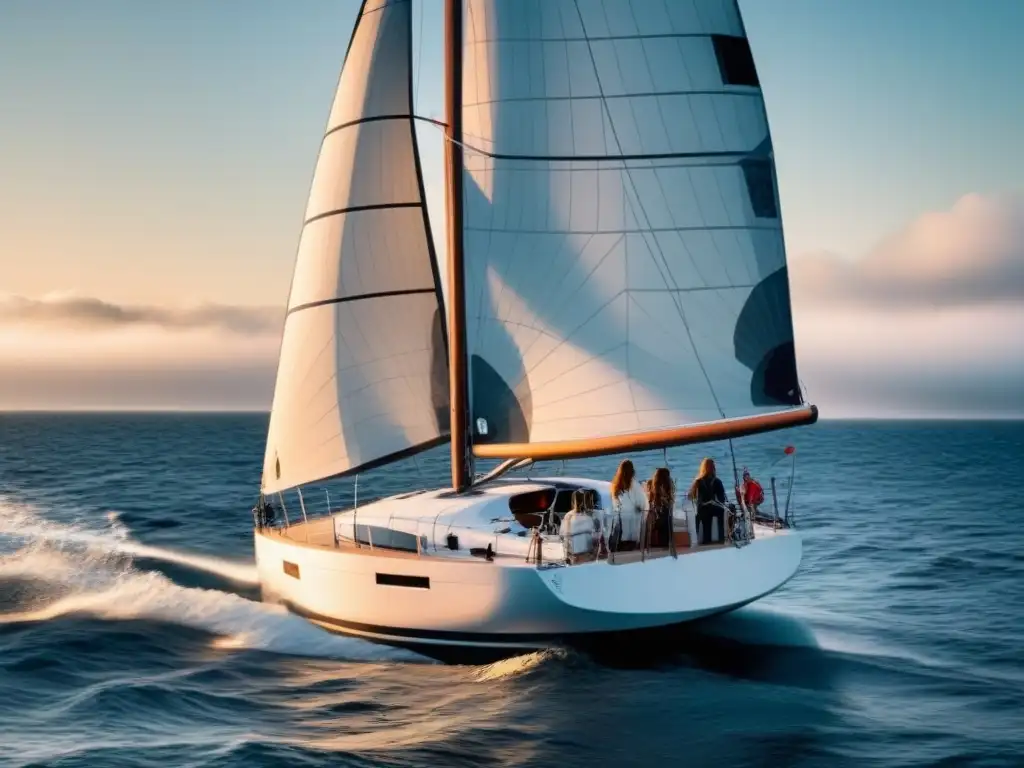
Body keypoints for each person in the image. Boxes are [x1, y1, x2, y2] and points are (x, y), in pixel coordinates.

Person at [609, 459, 648, 551]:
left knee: (621, 543)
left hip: (620, 519)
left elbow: (615, 504)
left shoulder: (615, 486)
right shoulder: (634, 484)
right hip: (632, 520)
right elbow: (642, 503)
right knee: (631, 545)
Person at [688, 458, 726, 545]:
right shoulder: (717, 481)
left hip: (701, 509)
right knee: (721, 511)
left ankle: (706, 540)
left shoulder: (697, 481)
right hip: (713, 507)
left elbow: (690, 496)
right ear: (713, 468)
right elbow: (722, 499)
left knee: (706, 522)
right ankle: (721, 539)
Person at [560, 489, 596, 562]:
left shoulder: (569, 516)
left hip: (573, 555)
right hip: (586, 555)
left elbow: (562, 536)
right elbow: (594, 538)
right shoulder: (590, 517)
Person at [645, 467, 675, 551]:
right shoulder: (668, 486)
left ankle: (652, 546)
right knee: (667, 520)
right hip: (662, 518)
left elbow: (649, 502)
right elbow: (670, 504)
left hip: (654, 518)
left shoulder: (651, 483)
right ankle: (665, 546)